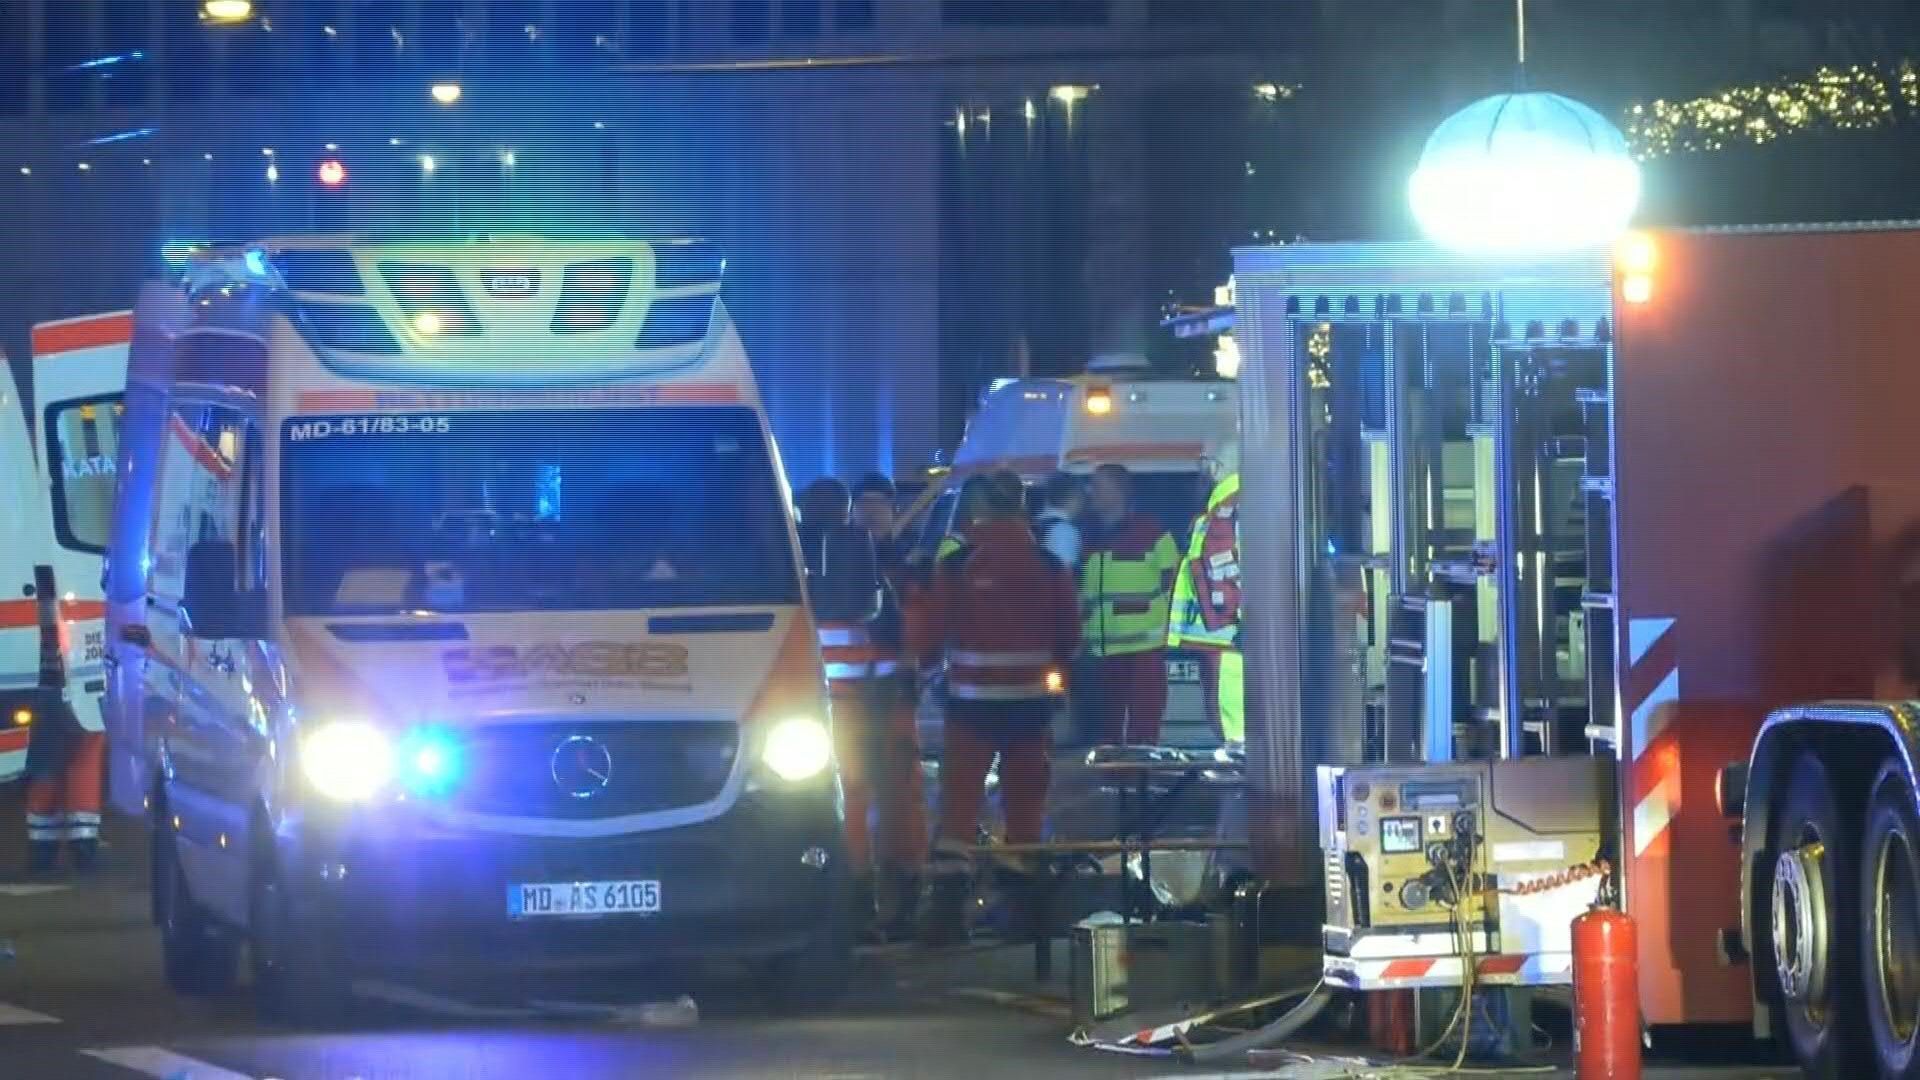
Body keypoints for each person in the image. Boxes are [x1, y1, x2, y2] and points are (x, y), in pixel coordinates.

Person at [907, 477, 1080, 945]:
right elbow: (1069, 635)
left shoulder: (959, 564)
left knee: (960, 807)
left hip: (971, 708)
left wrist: (924, 667)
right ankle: (1026, 917)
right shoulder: (1049, 564)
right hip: (1031, 708)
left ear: (974, 512)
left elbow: (928, 635)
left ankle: (945, 920)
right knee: (1025, 805)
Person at [795, 479, 922, 934]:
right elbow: (909, 636)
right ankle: (890, 896)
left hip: (825, 705)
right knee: (889, 799)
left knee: (849, 800)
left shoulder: (789, 561)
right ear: (847, 513)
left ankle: (858, 897)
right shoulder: (879, 562)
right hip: (875, 701)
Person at [1079, 463, 1181, 746]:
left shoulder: (1150, 531)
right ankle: (1114, 783)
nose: (1091, 492)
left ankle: (1141, 782)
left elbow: (1174, 579)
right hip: (1100, 651)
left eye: (1098, 485)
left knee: (1144, 728)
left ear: (1119, 491)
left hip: (1143, 650)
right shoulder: (1087, 533)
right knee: (1106, 732)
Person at [22, 579, 103, 877]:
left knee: (45, 763)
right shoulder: (78, 582)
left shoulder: (31, 578)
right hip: (74, 683)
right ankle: (82, 847)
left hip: (41, 683)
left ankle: (43, 850)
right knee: (84, 754)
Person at [1168, 448, 1244, 749]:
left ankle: (1242, 770)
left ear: (1218, 467)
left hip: (1228, 634)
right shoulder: (1226, 506)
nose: (1203, 472)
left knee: (1232, 715)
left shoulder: (1231, 505)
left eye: (1206, 463)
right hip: (1224, 631)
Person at [1035, 472, 1085, 571]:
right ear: (1073, 497)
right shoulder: (1065, 531)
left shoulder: (1033, 524)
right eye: (1082, 496)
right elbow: (1065, 572)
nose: (1083, 502)